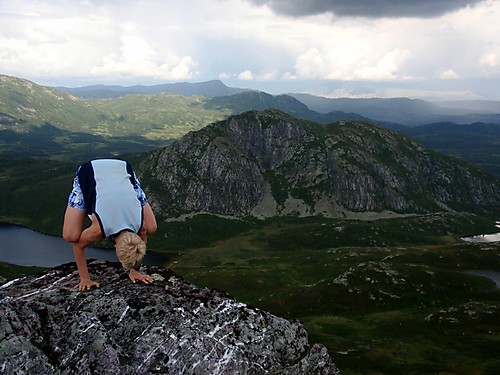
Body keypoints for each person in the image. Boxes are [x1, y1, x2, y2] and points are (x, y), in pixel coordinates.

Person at [62, 158, 158, 291]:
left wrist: (135, 270)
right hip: (90, 171)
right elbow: (78, 246)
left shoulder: (141, 226)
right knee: (70, 236)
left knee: (152, 226)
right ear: (116, 247)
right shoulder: (99, 229)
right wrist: (85, 279)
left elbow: (144, 236)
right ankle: (87, 197)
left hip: (123, 169)